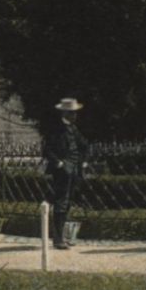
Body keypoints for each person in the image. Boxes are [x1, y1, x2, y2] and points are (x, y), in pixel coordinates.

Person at [42, 97, 88, 250]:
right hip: (62, 171)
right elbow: (47, 150)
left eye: (75, 113)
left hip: (74, 170)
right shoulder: (56, 129)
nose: (75, 115)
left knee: (67, 202)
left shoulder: (73, 128)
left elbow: (83, 145)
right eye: (72, 113)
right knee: (60, 203)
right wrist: (59, 163)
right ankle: (57, 239)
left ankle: (62, 237)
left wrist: (83, 161)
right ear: (65, 113)